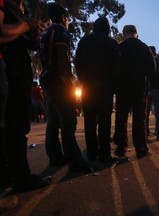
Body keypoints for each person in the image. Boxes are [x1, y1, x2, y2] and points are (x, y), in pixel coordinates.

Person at [1, 0, 50, 191]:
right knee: (14, 128)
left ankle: (12, 174)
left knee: (17, 128)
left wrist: (35, 31)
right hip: (10, 71)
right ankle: (20, 177)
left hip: (20, 71)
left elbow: (33, 44)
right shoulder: (8, 5)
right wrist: (25, 26)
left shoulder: (23, 8)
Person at [40, 3, 94, 171]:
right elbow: (62, 57)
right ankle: (74, 160)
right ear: (64, 17)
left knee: (53, 120)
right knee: (68, 120)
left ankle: (55, 156)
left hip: (47, 80)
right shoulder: (61, 31)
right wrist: (68, 79)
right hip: (58, 81)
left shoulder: (46, 32)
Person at [75, 16, 120, 162]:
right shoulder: (112, 43)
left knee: (89, 121)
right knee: (105, 121)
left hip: (88, 87)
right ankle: (105, 154)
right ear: (107, 28)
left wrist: (84, 80)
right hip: (105, 88)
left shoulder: (84, 41)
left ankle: (92, 153)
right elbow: (116, 67)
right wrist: (113, 86)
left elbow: (77, 64)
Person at [113, 24, 156, 158]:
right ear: (136, 34)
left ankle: (121, 147)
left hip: (122, 88)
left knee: (121, 118)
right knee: (139, 118)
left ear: (124, 34)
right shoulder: (144, 48)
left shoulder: (119, 48)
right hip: (139, 88)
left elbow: (112, 67)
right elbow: (152, 70)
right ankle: (141, 148)